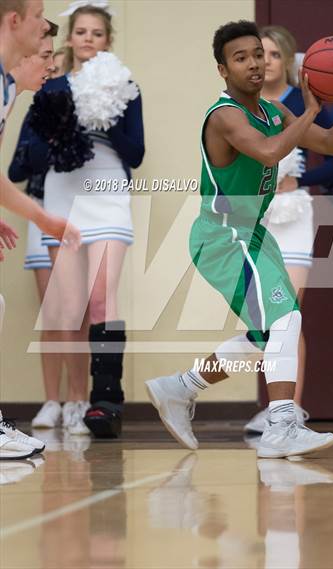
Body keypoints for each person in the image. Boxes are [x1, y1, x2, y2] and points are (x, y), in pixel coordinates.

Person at [145, 20, 333, 459]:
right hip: (222, 235)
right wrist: (311, 111)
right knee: (286, 322)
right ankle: (281, 423)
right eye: (241, 58)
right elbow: (269, 151)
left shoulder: (275, 110)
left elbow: (332, 144)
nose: (254, 64)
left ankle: (180, 387)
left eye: (258, 54)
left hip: (250, 233)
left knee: (266, 334)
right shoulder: (224, 116)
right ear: (223, 70)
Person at [24, 0, 145, 438]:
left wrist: (102, 116)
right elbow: (33, 156)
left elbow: (135, 153)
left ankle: (105, 400)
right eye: (81, 32)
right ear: (70, 39)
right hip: (62, 196)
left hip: (108, 191)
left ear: (107, 40)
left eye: (97, 32)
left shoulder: (125, 84)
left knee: (100, 301)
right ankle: (72, 402)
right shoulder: (51, 87)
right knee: (70, 307)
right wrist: (62, 125)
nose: (88, 39)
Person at [244, 26, 333, 434]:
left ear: (287, 60)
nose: (264, 62)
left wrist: (299, 182)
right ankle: (276, 405)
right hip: (254, 217)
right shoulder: (243, 107)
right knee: (262, 318)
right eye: (258, 54)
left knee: (287, 314)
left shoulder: (300, 103)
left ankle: (289, 408)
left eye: (272, 54)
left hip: (292, 215)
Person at [0, 0, 80, 460]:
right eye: (45, 51)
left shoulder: (9, 89)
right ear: (16, 23)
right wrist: (45, 218)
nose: (50, 62)